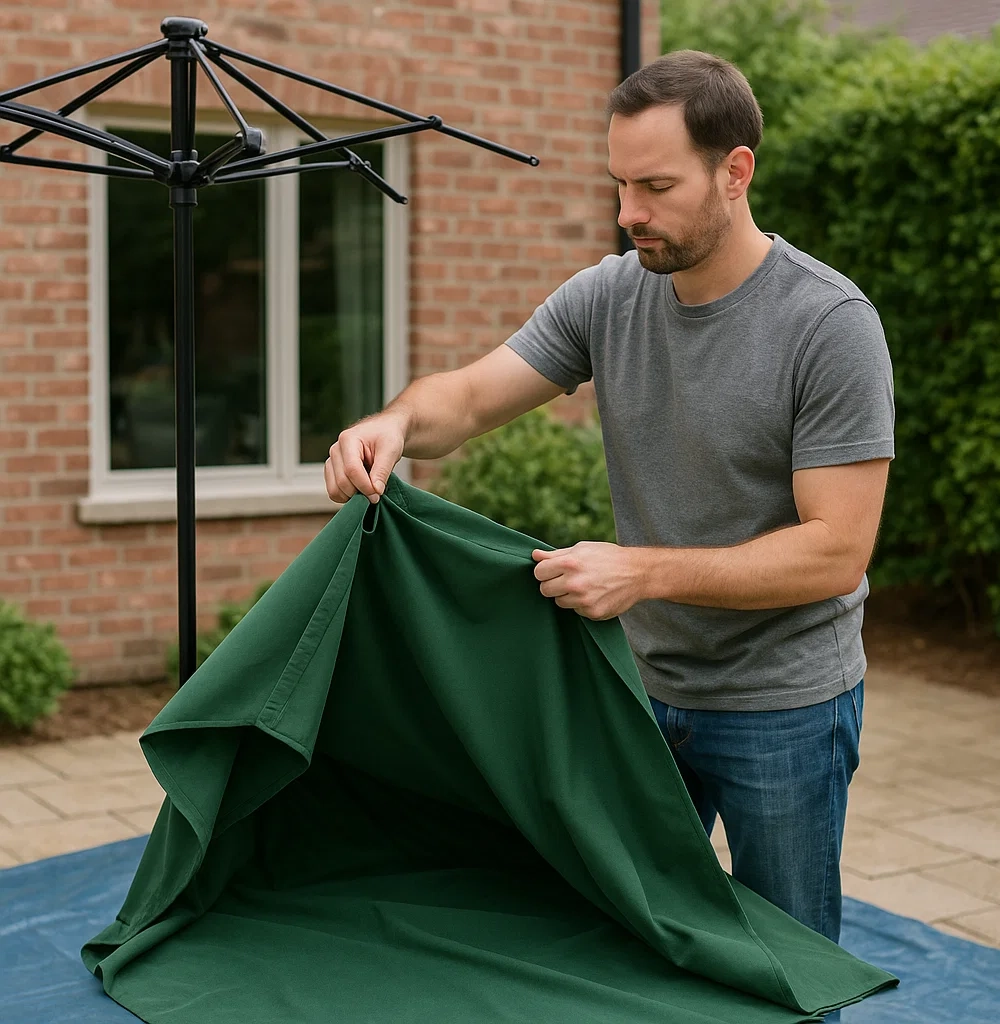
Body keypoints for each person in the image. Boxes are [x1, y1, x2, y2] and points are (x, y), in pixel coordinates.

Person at [324, 47, 895, 983]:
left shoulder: (829, 325)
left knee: (793, 967)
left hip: (784, 706)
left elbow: (835, 553)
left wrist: (642, 573)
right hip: (641, 692)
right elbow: (465, 399)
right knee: (631, 948)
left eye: (656, 186)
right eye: (619, 183)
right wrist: (389, 424)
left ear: (735, 171)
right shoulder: (611, 294)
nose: (628, 212)